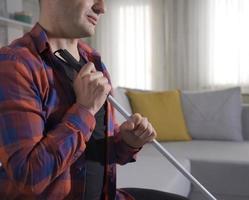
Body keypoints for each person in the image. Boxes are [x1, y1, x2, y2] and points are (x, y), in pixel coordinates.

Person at [0, 0, 189, 199]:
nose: (102, 8)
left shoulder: (93, 60)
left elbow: (95, 146)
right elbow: (29, 176)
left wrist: (126, 142)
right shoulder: (15, 65)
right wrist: (85, 109)